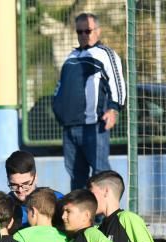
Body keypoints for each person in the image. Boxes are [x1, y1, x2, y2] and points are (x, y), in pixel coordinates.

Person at [52, 13, 126, 191]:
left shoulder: (105, 54)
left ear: (98, 31)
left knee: (101, 175)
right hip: (70, 128)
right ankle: (79, 217)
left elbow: (118, 83)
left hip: (94, 126)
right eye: (80, 31)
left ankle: (105, 217)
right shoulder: (71, 56)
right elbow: (60, 87)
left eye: (88, 30)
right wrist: (57, 109)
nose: (84, 35)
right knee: (76, 176)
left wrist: (114, 109)